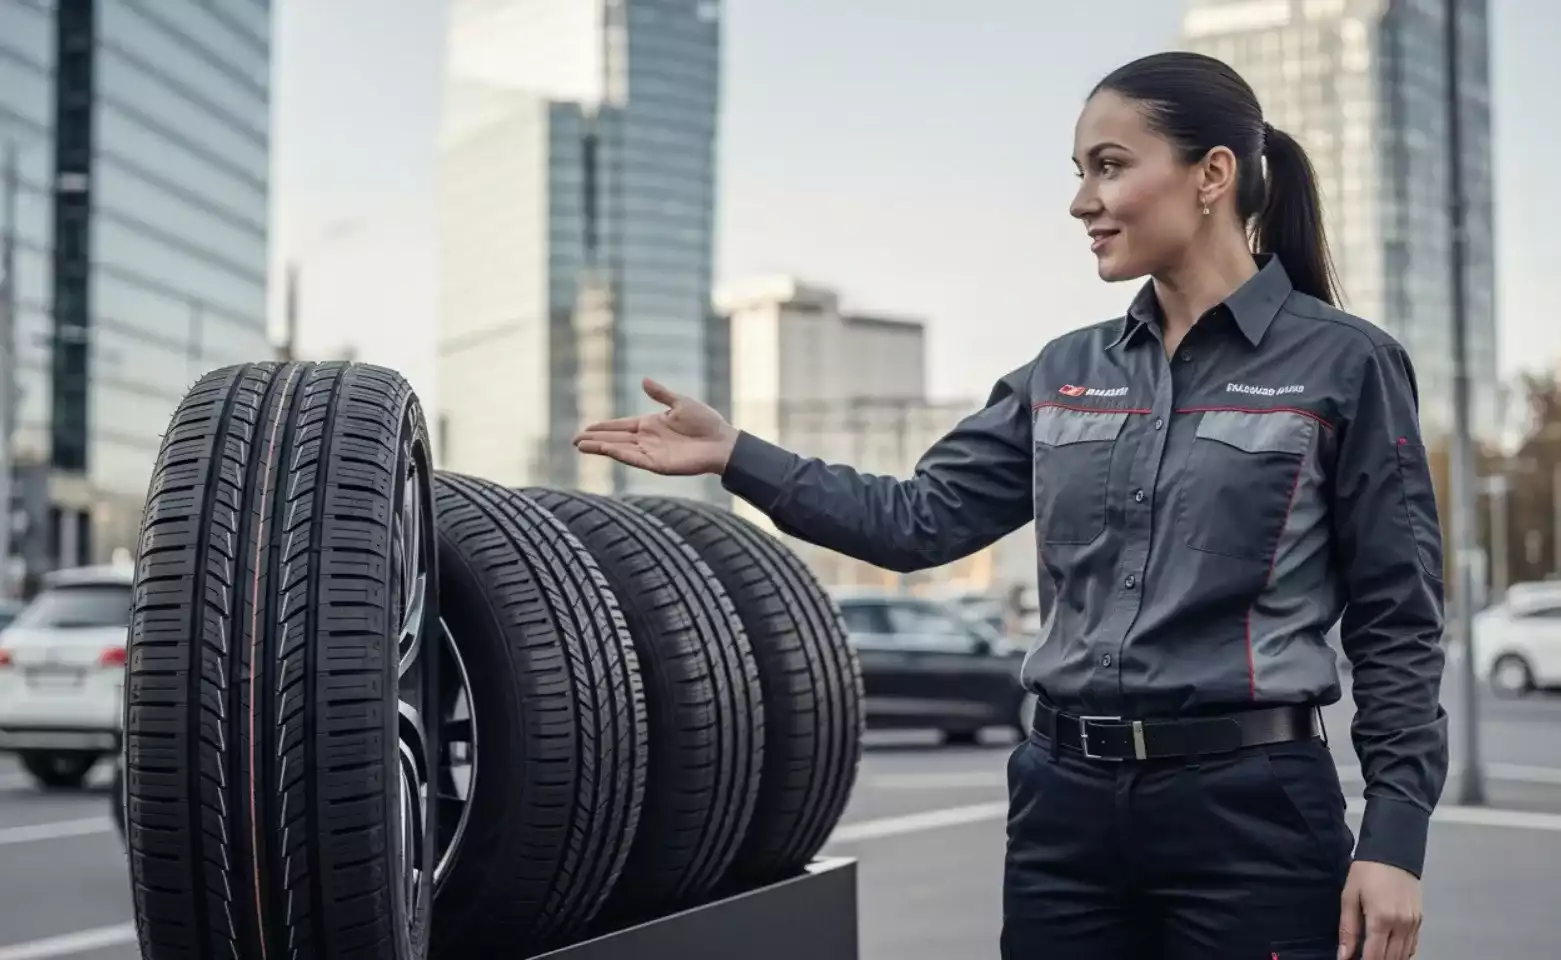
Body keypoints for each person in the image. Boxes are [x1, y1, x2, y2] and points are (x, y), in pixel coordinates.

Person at [574, 50, 1446, 960]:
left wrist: (1394, 839)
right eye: (1080, 173)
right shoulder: (1063, 374)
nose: (1081, 202)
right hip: (1061, 812)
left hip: (1252, 813)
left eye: (1110, 166)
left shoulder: (1347, 365)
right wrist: (737, 455)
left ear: (1211, 176)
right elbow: (918, 521)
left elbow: (1398, 620)